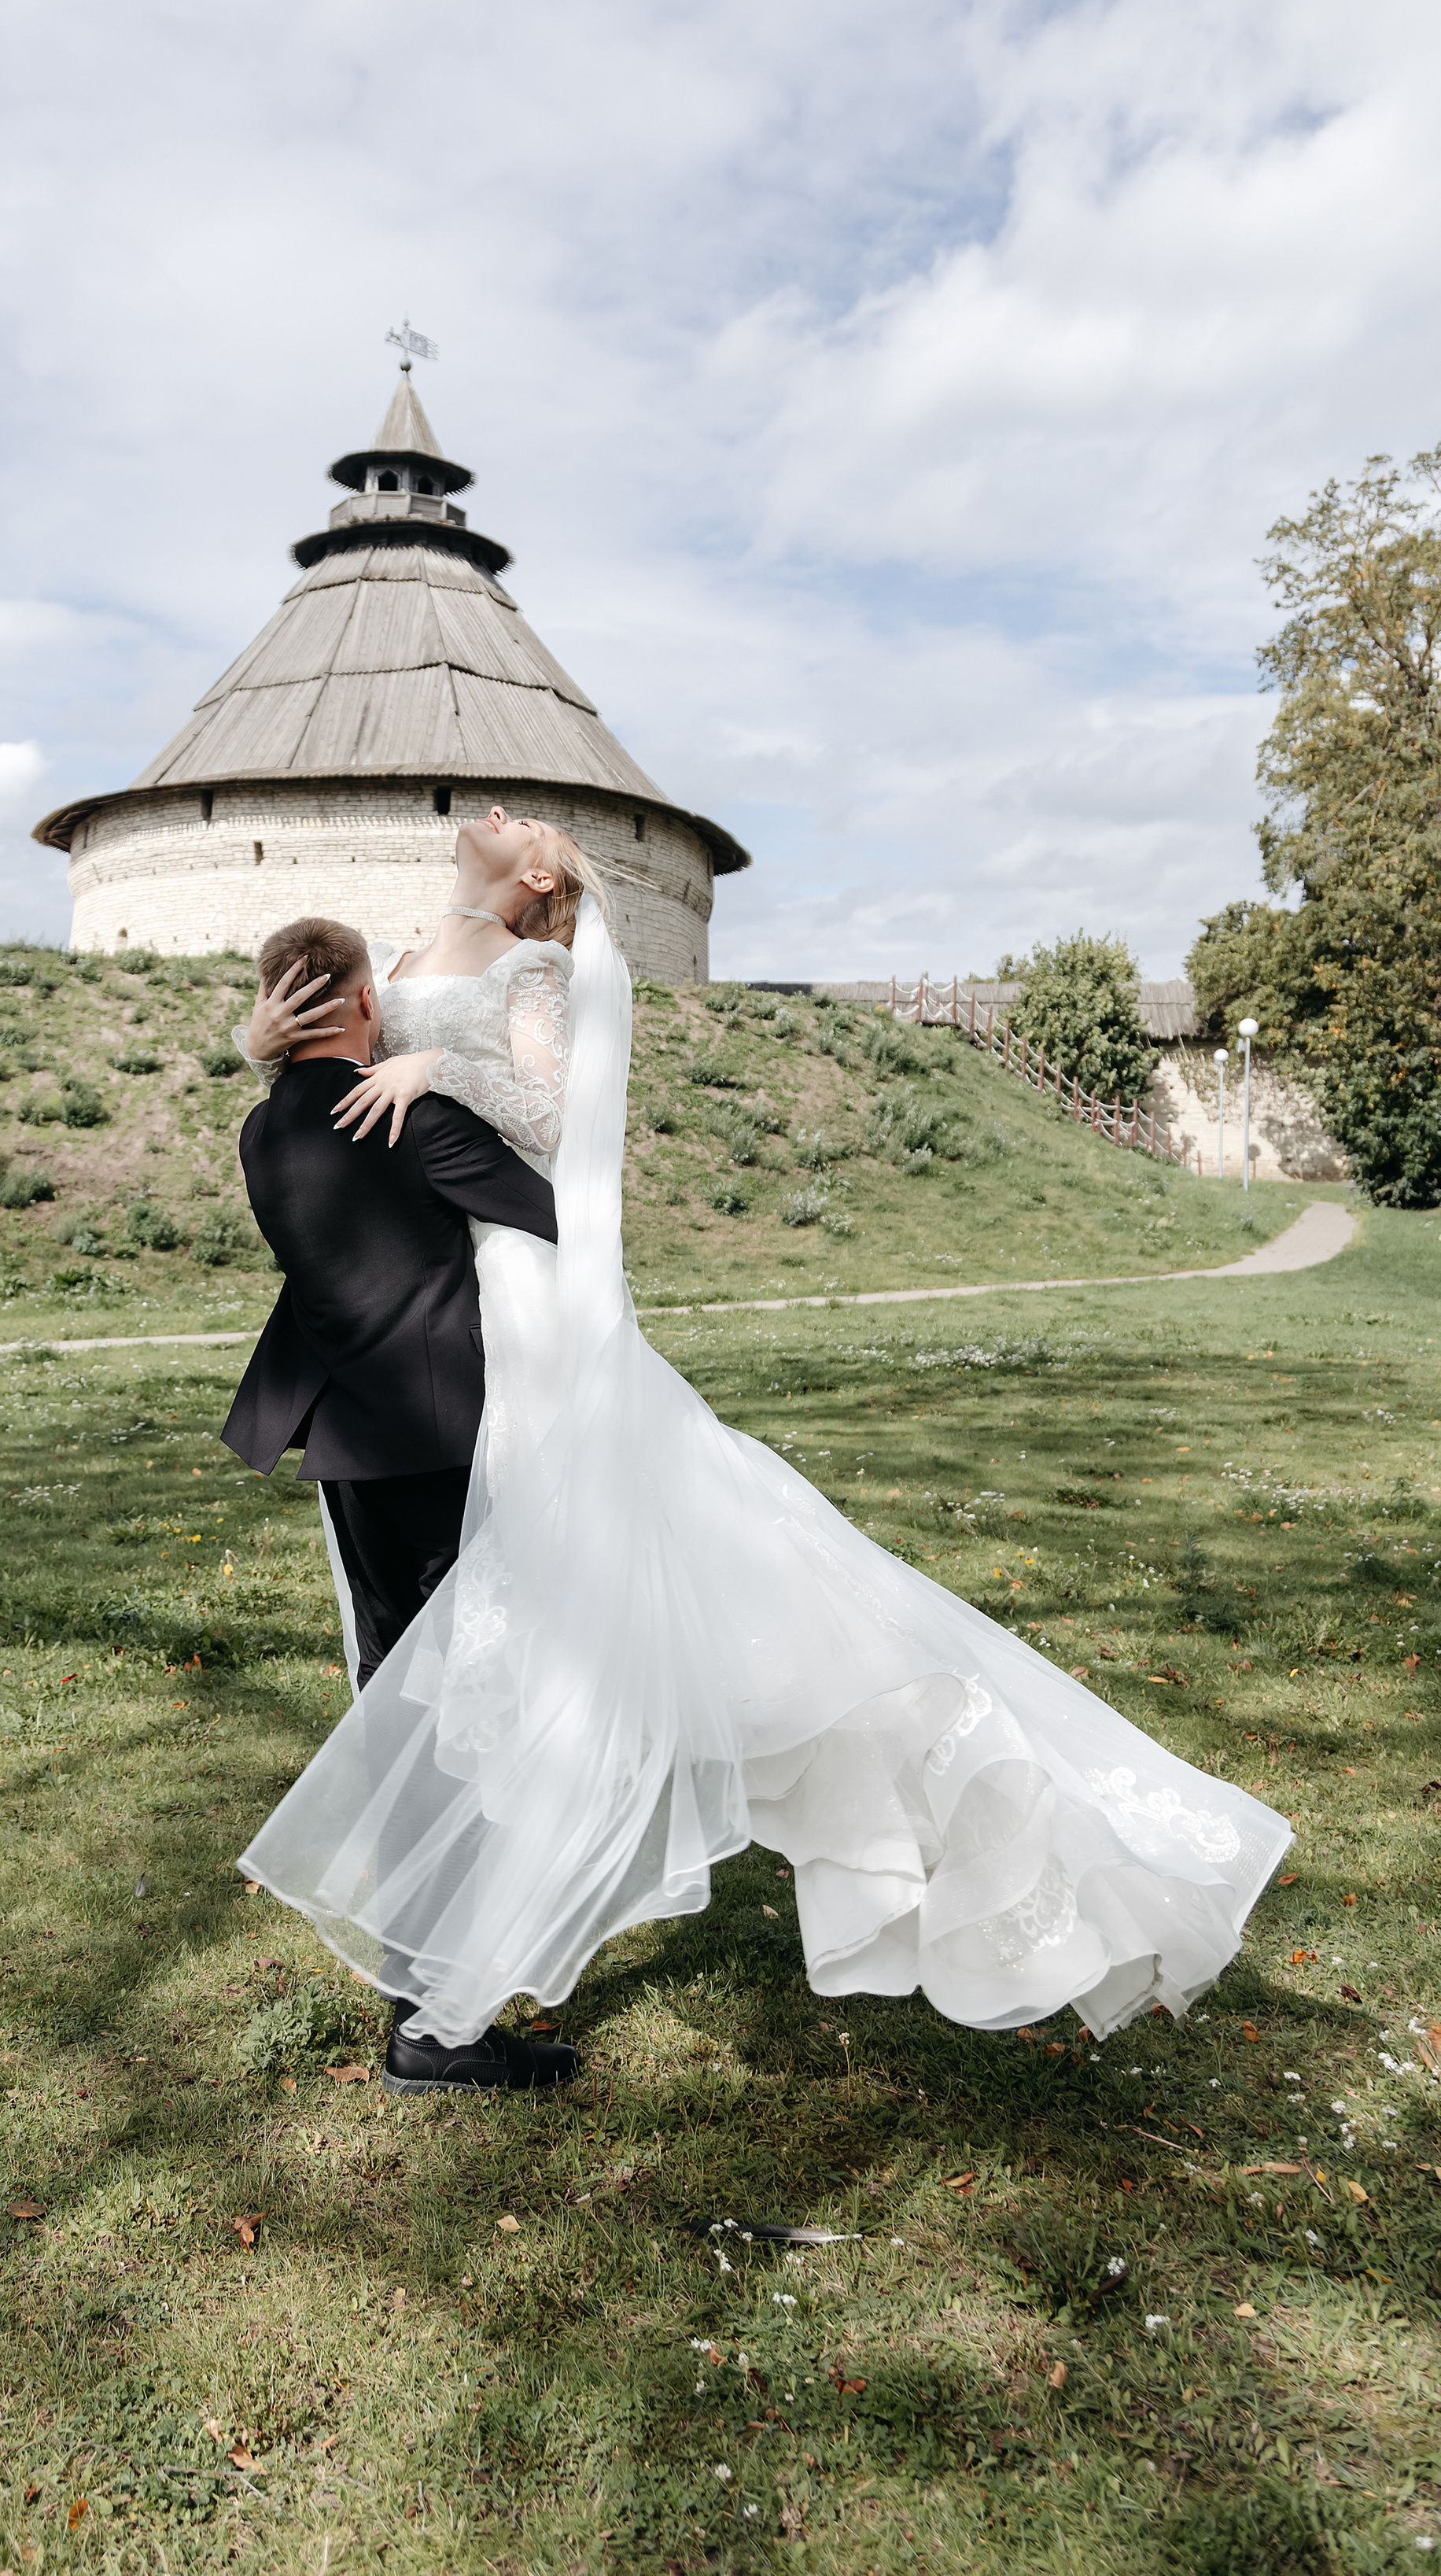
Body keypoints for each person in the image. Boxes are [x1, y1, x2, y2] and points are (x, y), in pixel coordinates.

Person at [233, 812, 1294, 2065]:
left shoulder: (504, 990)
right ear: (362, 999)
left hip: (443, 1360)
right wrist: (326, 1054)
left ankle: (442, 1980)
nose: (501, 814)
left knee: (456, 1673)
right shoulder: (403, 977)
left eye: (526, 825)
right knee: (458, 1680)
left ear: (539, 879)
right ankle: (443, 1988)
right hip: (434, 1356)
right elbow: (361, 1066)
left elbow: (543, 1126)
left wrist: (423, 1073)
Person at [220, 910, 581, 2098]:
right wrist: (456, 1076)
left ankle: (427, 1999)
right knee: (455, 1721)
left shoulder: (262, 1132)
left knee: (401, 1706)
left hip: (348, 1453)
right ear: (368, 1002)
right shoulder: (414, 1119)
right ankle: (437, 2024)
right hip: (441, 1451)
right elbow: (559, 1214)